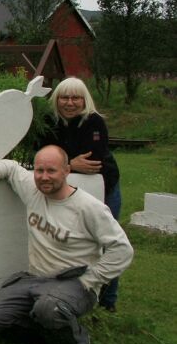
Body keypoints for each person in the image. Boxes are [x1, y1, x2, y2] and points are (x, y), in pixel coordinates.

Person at [0, 145, 133, 344]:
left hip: (73, 283)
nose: (44, 177)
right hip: (36, 278)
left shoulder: (89, 208)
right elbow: (11, 167)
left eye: (51, 171)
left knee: (49, 308)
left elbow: (122, 250)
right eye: (39, 171)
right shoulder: (33, 191)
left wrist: (90, 280)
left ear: (66, 171)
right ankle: (52, 332)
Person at [36, 77, 123, 311]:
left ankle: (108, 302)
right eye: (64, 97)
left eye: (76, 97)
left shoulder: (94, 122)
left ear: (85, 100)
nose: (70, 103)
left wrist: (63, 163)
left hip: (106, 190)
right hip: (69, 194)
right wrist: (71, 164)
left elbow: (93, 160)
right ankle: (80, 293)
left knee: (107, 243)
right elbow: (43, 155)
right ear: (56, 99)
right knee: (78, 242)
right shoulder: (48, 122)